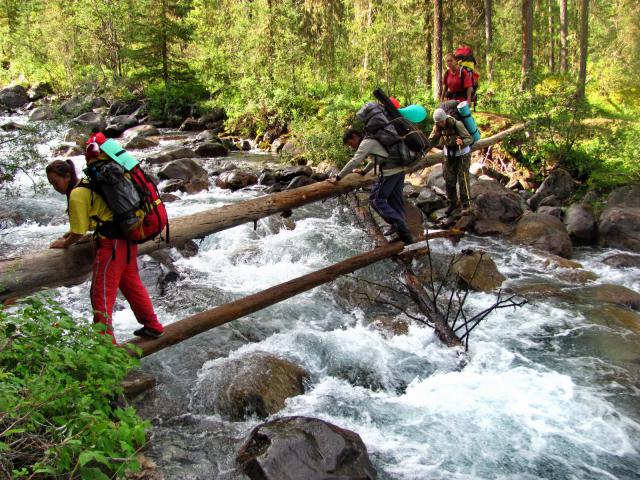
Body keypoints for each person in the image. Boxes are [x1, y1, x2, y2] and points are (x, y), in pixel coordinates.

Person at [46, 156, 164, 343]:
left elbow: (78, 230)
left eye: (55, 182)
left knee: (100, 294)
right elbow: (91, 220)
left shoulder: (77, 194)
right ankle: (153, 325)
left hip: (110, 245)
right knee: (132, 285)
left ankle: (105, 344)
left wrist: (65, 242)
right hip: (126, 239)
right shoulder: (88, 183)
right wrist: (72, 234)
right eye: (51, 184)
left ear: (67, 176)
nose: (55, 187)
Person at [328, 128, 413, 244]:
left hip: (390, 173)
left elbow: (354, 161)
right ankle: (399, 228)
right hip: (398, 170)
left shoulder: (366, 142)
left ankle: (403, 229)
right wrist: (364, 171)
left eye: (350, 143)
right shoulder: (372, 139)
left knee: (376, 200)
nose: (350, 146)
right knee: (395, 200)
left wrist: (338, 177)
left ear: (354, 136)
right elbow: (375, 159)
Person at [427, 108, 473, 215]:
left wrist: (462, 141)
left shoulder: (457, 124)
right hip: (448, 155)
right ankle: (452, 203)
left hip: (463, 154)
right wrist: (422, 151)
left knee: (463, 179)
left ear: (445, 119)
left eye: (442, 121)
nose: (441, 124)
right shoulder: (437, 128)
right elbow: (431, 141)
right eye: (438, 122)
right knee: (449, 179)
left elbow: (469, 139)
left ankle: (466, 205)